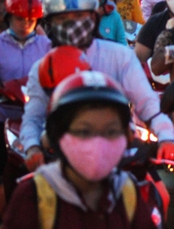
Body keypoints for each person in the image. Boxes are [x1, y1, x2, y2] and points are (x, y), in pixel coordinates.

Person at [21, 0, 174, 173]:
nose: (72, 24)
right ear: (50, 22)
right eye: (63, 19)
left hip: (120, 151)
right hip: (61, 158)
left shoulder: (119, 56)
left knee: (158, 196)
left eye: (79, 15)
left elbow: (148, 104)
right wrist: (32, 147)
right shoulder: (43, 65)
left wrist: (167, 138)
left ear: (94, 16)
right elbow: (32, 117)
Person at [5, 71, 159, 229]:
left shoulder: (127, 192)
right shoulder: (33, 196)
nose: (98, 143)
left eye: (111, 132)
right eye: (84, 132)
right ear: (58, 135)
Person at [0, 0, 51, 83]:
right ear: (9, 18)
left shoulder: (46, 46)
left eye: (31, 21)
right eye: (19, 19)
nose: (25, 25)